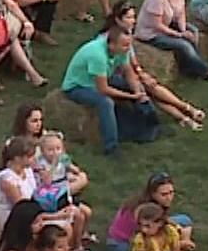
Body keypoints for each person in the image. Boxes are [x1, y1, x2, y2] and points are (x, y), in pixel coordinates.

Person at [60, 17, 160, 156]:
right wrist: (131, 96)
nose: (128, 49)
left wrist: (137, 92)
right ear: (112, 45)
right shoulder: (97, 55)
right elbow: (103, 89)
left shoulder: (121, 50)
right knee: (106, 103)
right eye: (125, 46)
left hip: (101, 79)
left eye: (129, 45)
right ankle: (111, 147)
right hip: (78, 86)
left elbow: (128, 72)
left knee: (133, 85)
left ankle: (149, 123)